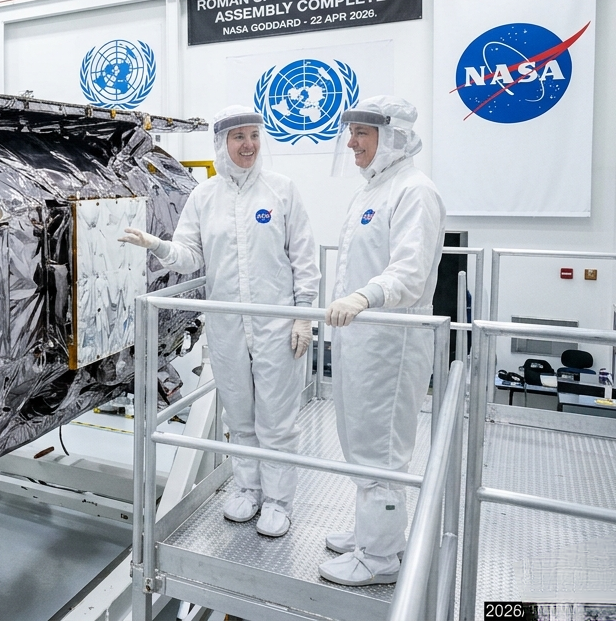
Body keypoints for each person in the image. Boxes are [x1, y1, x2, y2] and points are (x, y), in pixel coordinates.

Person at [121, 105, 318, 538]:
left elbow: (304, 256)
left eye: (254, 136)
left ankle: (279, 502)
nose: (248, 145)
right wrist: (157, 245)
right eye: (238, 137)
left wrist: (304, 315)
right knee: (240, 415)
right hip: (227, 324)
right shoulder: (204, 196)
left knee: (277, 419)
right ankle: (247, 490)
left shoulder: (282, 190)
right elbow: (190, 256)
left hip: (277, 324)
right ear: (221, 144)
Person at [319, 96, 446, 587]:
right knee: (359, 438)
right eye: (350, 133)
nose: (351, 142)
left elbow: (410, 273)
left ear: (391, 136)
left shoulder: (414, 191)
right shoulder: (374, 189)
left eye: (362, 133)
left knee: (382, 446)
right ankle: (370, 531)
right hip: (362, 338)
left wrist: (363, 297)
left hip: (392, 341)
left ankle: (380, 557)